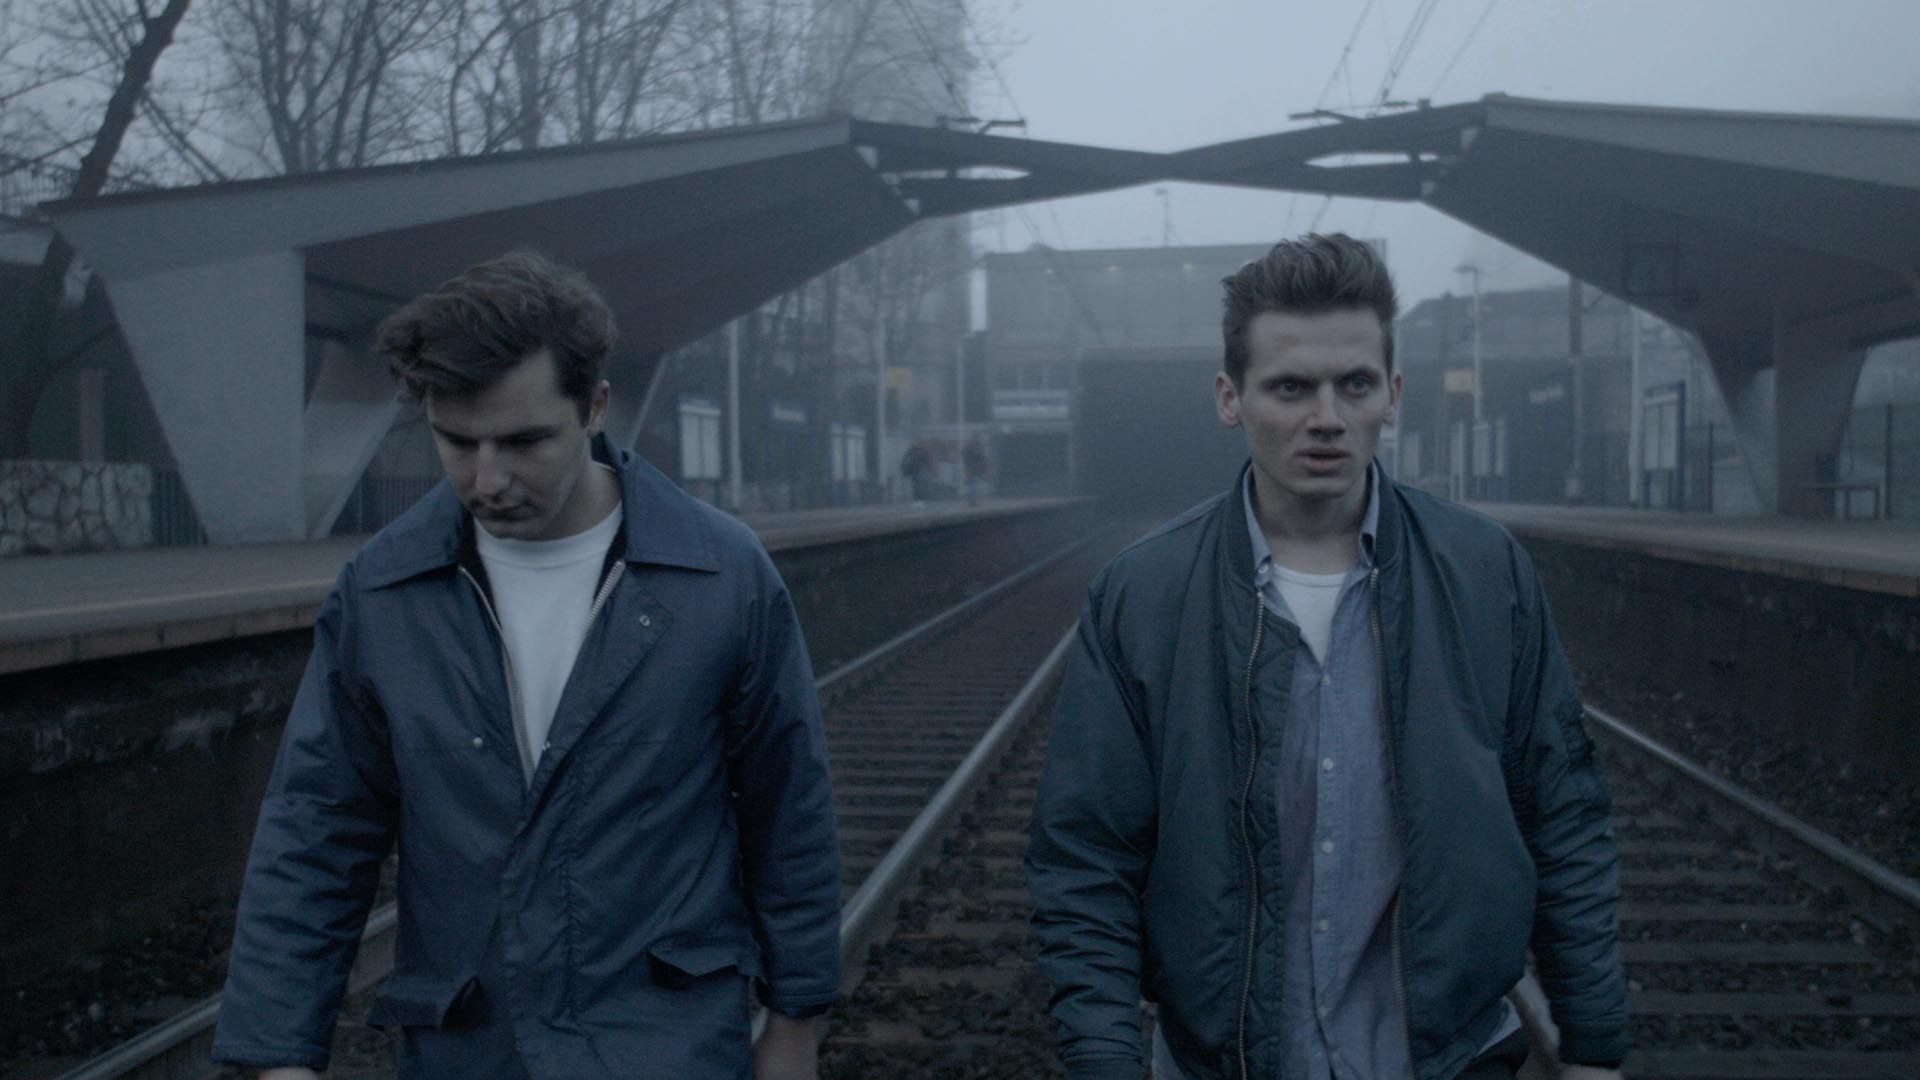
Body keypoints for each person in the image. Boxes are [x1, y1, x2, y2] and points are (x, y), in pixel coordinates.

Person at [210, 251, 840, 1079]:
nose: (488, 479)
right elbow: (317, 826)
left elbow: (786, 807)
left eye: (524, 441)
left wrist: (795, 1022)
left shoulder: (721, 576)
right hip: (470, 1048)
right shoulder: (385, 593)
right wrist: (279, 1054)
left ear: (595, 408)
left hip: (664, 1044)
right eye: (456, 442)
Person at [1026, 234, 1626, 1080]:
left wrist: (1593, 1042)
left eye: (1355, 384)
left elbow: (1563, 813)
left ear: (1393, 394)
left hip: (1445, 1062)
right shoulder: (1143, 594)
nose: (1327, 417)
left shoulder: (1486, 574)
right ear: (1230, 398)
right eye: (1290, 387)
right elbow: (1087, 856)